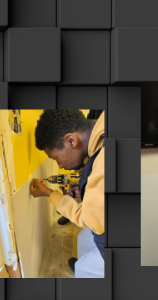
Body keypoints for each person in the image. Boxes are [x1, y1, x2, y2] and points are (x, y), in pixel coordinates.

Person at [29, 110, 105, 278]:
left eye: (55, 158)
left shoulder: (103, 164)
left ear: (71, 140)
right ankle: (84, 262)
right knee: (84, 238)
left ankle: (85, 269)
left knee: (84, 270)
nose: (60, 166)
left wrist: (50, 194)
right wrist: (88, 194)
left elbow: (91, 221)